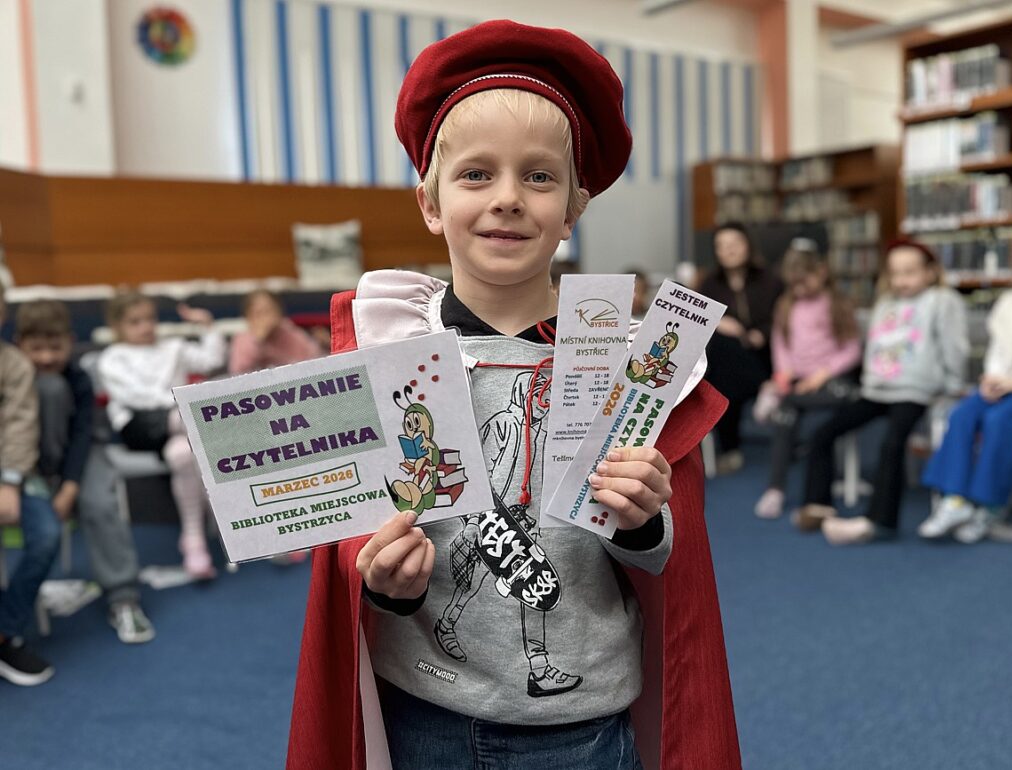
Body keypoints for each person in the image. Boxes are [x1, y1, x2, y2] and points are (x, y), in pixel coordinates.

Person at [288, 20, 741, 770]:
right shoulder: (389, 347)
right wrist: (384, 581)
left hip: (582, 726)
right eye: (475, 175)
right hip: (423, 709)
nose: (507, 199)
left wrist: (641, 515)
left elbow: (667, 556)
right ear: (431, 203)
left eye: (538, 177)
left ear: (573, 209)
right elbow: (355, 539)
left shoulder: (626, 361)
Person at [793, 240, 968, 545]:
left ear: (930, 272)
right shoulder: (885, 304)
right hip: (876, 390)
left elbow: (955, 347)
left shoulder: (942, 300)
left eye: (910, 272)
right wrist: (869, 382)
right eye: (895, 273)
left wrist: (953, 384)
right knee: (823, 433)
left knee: (892, 443)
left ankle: (880, 521)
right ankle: (817, 505)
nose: (901, 280)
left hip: (915, 391)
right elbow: (873, 347)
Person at [15, 299, 154, 643]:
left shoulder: (78, 379)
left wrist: (70, 486)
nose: (46, 357)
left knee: (100, 504)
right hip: (27, 462)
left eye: (55, 347)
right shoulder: (13, 377)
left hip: (83, 456)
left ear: (70, 341)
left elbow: (81, 437)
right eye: (36, 348)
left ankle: (123, 598)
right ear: (20, 345)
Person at [97, 292, 226, 579]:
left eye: (150, 319)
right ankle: (227, 510)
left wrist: (207, 326)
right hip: (140, 427)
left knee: (182, 454)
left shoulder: (172, 347)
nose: (146, 327)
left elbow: (212, 360)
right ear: (117, 326)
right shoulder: (112, 358)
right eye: (135, 322)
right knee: (199, 420)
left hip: (179, 427)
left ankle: (193, 540)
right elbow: (133, 397)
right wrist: (179, 403)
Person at [917, 239, 1012, 543]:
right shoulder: (1008, 302)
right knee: (962, 414)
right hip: (1001, 385)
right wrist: (992, 378)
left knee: (998, 421)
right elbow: (998, 349)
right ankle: (954, 500)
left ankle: (989, 505)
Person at [753, 240, 861, 519]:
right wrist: (783, 373)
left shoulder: (837, 304)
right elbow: (781, 345)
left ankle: (776, 398)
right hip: (799, 384)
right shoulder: (786, 305)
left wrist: (821, 375)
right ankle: (775, 490)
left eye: (805, 282)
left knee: (794, 401)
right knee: (785, 417)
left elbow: (852, 350)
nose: (799, 290)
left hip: (833, 383)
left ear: (821, 272)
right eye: (794, 284)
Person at [0, 288, 60, 686]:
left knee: (46, 535)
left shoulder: (15, 364)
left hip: (16, 473)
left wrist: (9, 481)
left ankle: (5, 632)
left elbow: (21, 425)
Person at [698, 222, 784, 473]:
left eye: (734, 244)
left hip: (765, 354)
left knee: (724, 378)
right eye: (721, 246)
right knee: (723, 357)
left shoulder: (771, 280)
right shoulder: (709, 284)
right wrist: (718, 322)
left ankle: (730, 449)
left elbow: (785, 318)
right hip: (728, 360)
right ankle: (764, 386)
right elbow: (700, 320)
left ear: (748, 246)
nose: (728, 250)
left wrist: (761, 333)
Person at [228, 289, 322, 375]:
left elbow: (314, 358)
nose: (265, 318)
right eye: (258, 313)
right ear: (248, 317)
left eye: (269, 311)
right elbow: (238, 371)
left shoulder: (290, 332)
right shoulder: (243, 339)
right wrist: (259, 341)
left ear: (279, 312)